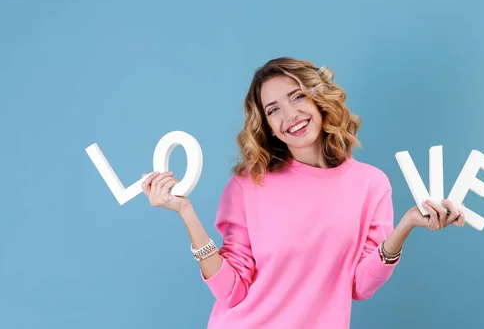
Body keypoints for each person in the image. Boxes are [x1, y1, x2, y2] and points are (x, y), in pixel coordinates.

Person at [141, 58, 466, 329]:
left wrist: (406, 225)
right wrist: (186, 211)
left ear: (318, 98)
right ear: (267, 126)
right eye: (273, 110)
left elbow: (359, 285)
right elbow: (232, 291)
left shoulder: (371, 184)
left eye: (297, 97)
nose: (290, 115)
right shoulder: (248, 185)